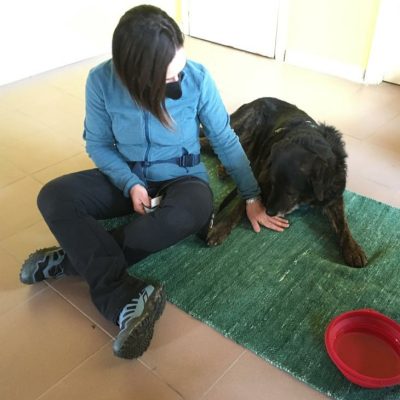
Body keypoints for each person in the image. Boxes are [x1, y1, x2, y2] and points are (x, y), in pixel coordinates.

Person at [19, 5, 289, 359]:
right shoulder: (101, 81)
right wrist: (130, 183)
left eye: (179, 68)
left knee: (185, 215)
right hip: (127, 175)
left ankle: (74, 258)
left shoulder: (197, 78)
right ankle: (125, 297)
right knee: (54, 196)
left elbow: (224, 138)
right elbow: (98, 144)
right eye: (168, 77)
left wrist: (252, 195)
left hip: (183, 178)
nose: (179, 79)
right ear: (135, 75)